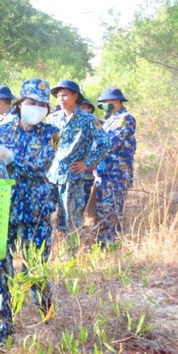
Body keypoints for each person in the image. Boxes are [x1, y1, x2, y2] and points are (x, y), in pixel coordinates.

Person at [0, 78, 60, 344]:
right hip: (4, 210)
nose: (36, 108)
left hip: (36, 213)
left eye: (42, 105)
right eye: (32, 103)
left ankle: (46, 312)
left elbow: (40, 167)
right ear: (21, 103)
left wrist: (10, 157)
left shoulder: (51, 133)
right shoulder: (2, 128)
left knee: (35, 270)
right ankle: (4, 331)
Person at [47, 79, 109, 243]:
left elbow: (104, 143)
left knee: (71, 217)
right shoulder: (54, 119)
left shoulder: (88, 120)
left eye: (65, 95)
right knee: (48, 213)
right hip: (53, 175)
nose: (61, 99)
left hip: (73, 176)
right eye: (59, 96)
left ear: (75, 96)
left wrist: (87, 163)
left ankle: (72, 252)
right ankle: (53, 249)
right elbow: (53, 143)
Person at [94, 87, 136, 248]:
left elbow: (111, 142)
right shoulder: (109, 120)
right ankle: (102, 244)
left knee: (112, 211)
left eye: (105, 102)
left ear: (116, 102)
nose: (103, 105)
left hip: (117, 174)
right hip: (103, 173)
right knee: (102, 209)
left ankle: (111, 245)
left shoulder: (125, 119)